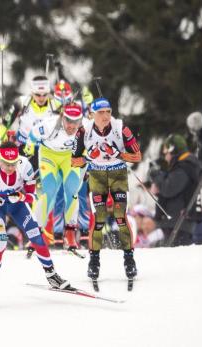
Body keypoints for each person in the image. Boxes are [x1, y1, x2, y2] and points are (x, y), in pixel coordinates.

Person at [0, 142, 72, 307]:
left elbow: (32, 194)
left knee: (36, 236)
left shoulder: (25, 166)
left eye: (13, 163)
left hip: (17, 205)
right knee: (0, 243)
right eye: (6, 164)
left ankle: (52, 275)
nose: (10, 167)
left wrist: (22, 197)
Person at [71, 97, 142, 283]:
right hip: (97, 175)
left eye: (108, 112)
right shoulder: (83, 131)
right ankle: (94, 261)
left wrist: (119, 154)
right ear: (91, 114)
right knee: (99, 218)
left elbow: (137, 156)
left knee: (120, 216)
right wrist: (88, 157)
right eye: (101, 113)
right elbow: (73, 161)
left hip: (118, 173)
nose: (105, 116)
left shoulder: (120, 128)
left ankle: (129, 259)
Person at [25, 103, 84, 252]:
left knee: (72, 191)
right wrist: (29, 146)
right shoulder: (49, 125)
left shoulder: (85, 128)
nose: (72, 126)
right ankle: (36, 234)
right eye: (69, 121)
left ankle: (70, 233)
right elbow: (32, 134)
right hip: (48, 156)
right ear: (63, 117)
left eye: (76, 122)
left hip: (69, 157)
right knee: (49, 192)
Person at [149, 134, 202, 246]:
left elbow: (168, 188)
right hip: (174, 222)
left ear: (173, 150)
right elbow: (172, 190)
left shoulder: (185, 167)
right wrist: (159, 188)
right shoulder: (182, 167)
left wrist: (156, 175)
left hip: (179, 223)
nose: (165, 156)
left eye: (166, 152)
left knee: (175, 258)